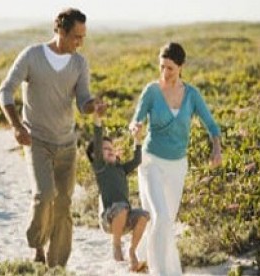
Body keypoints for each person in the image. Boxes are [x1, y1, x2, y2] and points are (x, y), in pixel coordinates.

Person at [0, 8, 102, 267]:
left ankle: (57, 265)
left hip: (67, 144)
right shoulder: (32, 56)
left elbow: (83, 101)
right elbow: (5, 91)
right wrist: (16, 126)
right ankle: (36, 243)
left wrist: (93, 106)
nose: (80, 42)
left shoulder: (79, 63)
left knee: (64, 205)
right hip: (37, 140)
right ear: (61, 31)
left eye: (83, 37)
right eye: (76, 36)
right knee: (44, 195)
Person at [129, 42, 222, 275]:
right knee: (159, 216)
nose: (165, 73)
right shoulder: (151, 91)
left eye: (170, 68)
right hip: (151, 162)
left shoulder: (192, 95)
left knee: (165, 222)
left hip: (177, 166)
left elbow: (211, 124)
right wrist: (135, 127)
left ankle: (141, 257)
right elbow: (136, 119)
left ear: (181, 67)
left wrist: (216, 149)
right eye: (162, 67)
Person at [86, 102, 150, 272]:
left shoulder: (120, 168)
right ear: (96, 155)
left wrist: (137, 139)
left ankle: (131, 250)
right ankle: (116, 245)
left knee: (144, 215)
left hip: (124, 216)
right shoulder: (101, 167)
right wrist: (98, 119)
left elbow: (137, 161)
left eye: (112, 148)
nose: (110, 150)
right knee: (121, 207)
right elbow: (98, 140)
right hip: (109, 218)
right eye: (105, 149)